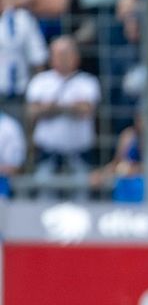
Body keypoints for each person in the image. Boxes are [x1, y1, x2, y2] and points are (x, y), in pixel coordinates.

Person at [25, 35, 100, 199]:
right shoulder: (40, 81)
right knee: (44, 200)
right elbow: (32, 112)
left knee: (82, 200)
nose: (61, 59)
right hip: (47, 155)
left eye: (65, 54)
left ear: (75, 57)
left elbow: (86, 109)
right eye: (57, 54)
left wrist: (51, 108)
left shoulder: (87, 82)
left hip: (78, 155)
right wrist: (69, 107)